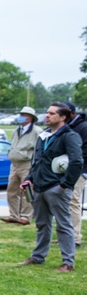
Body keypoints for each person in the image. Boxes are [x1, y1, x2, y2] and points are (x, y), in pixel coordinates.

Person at [18, 102, 84, 272]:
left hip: (56, 188)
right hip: (39, 187)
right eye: (47, 113)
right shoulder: (44, 135)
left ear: (63, 117)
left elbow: (77, 162)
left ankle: (68, 262)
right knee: (42, 224)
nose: (47, 116)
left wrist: (65, 185)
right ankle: (38, 257)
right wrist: (29, 179)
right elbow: (37, 161)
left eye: (52, 113)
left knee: (63, 225)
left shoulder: (69, 136)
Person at [2, 106, 41, 225]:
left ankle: (26, 216)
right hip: (14, 164)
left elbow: (38, 149)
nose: (20, 117)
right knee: (11, 190)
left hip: (27, 164)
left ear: (30, 118)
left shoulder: (37, 131)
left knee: (27, 191)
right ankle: (13, 215)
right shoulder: (16, 130)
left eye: (24, 115)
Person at [62, 102, 87, 247]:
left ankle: (75, 237)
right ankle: (65, 235)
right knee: (63, 203)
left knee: (73, 202)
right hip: (63, 169)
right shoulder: (67, 127)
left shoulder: (83, 127)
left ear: (71, 113)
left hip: (78, 170)